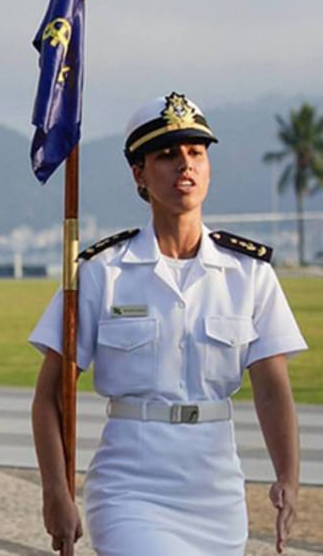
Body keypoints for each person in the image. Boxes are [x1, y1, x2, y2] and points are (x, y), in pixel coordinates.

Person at [29, 93, 307, 556]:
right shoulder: (101, 272)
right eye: (167, 155)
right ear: (139, 174)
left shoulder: (249, 272)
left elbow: (272, 387)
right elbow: (49, 398)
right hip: (130, 486)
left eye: (196, 152)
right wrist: (55, 492)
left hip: (216, 489)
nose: (186, 165)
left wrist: (289, 477)